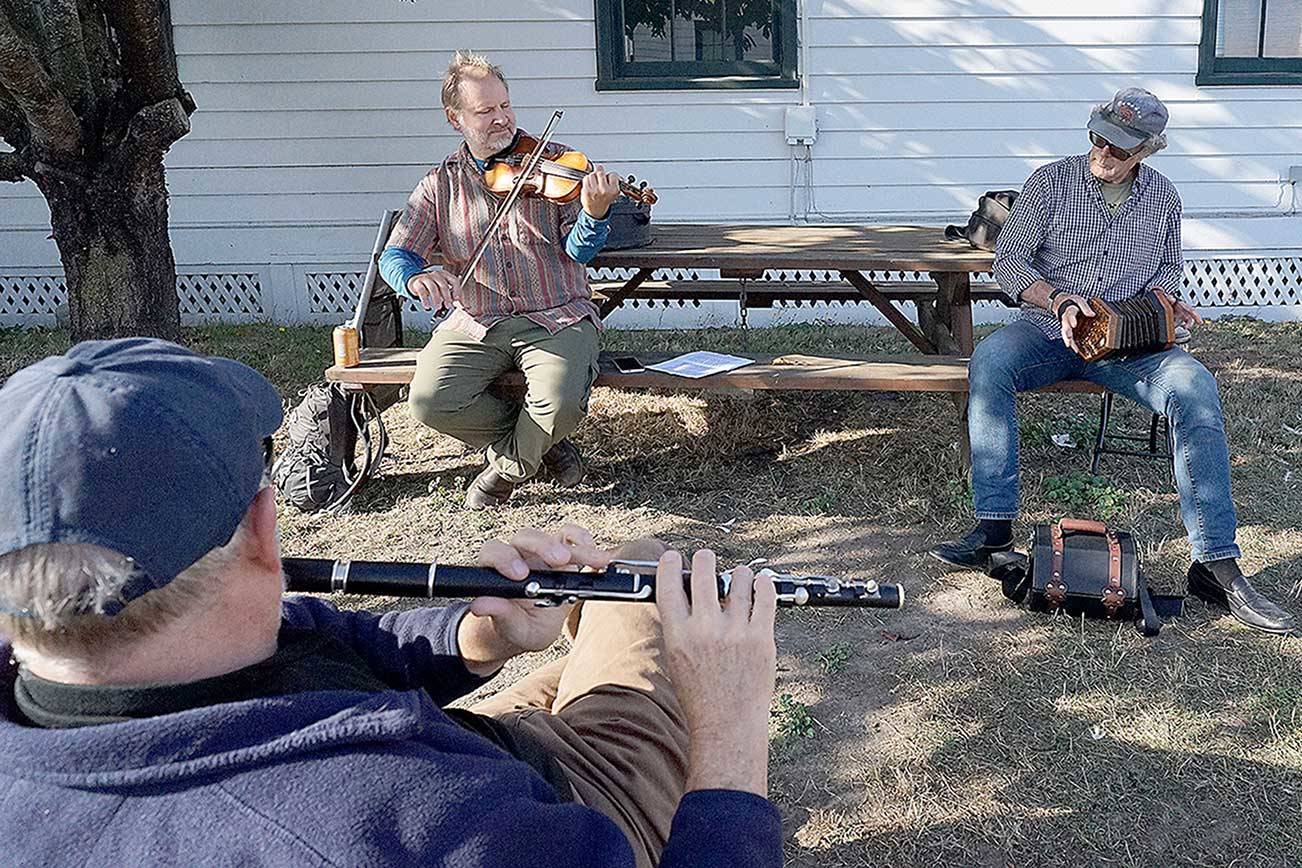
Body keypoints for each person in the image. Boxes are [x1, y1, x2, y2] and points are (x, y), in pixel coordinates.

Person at [0, 338, 783, 868]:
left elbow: (317, 640)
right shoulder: (422, 822)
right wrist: (733, 728)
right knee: (645, 570)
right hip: (547, 795)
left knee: (601, 617)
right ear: (267, 533)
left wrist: (480, 633)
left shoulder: (67, 667)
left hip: (443, 740)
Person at [929, 87, 1295, 635]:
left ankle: (1216, 565)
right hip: (1047, 332)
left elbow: (1166, 273)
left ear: (1147, 150)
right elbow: (1008, 267)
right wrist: (1059, 301)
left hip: (1124, 346)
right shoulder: (1048, 183)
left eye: (1120, 147)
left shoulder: (1163, 199)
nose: (1104, 150)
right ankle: (994, 528)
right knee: (990, 363)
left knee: (1195, 389)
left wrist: (1165, 309)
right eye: (1098, 137)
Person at [377, 51, 623, 509]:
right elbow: (397, 252)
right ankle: (541, 444)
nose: (501, 119)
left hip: (557, 314)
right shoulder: (440, 184)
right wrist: (415, 278)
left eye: (505, 106)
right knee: (429, 401)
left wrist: (594, 213)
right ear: (455, 118)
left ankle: (506, 470)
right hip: (477, 319)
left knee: (561, 403)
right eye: (485, 111)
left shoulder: (554, 164)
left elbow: (580, 252)